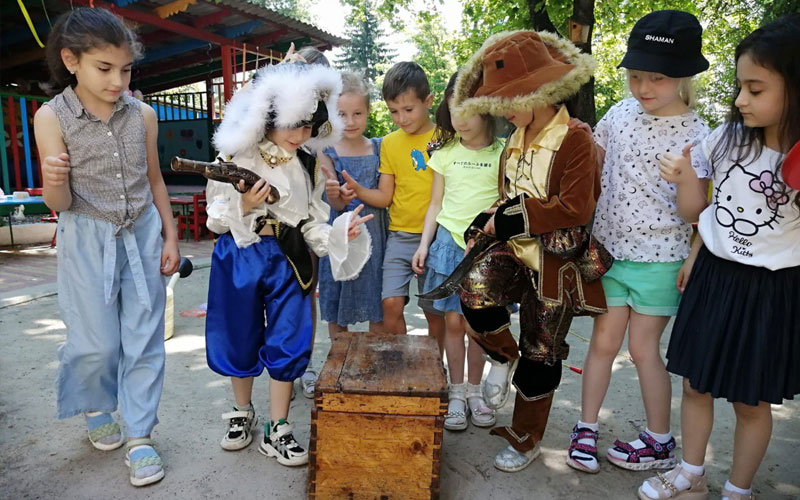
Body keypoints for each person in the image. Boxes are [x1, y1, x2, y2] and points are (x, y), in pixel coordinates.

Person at [638, 14, 800, 500]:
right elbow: (697, 211)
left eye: (755, 88)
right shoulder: (725, 139)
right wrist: (686, 178)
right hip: (714, 275)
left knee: (751, 402)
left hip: (771, 288)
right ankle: (690, 473)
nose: (740, 100)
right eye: (739, 86)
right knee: (695, 384)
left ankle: (738, 489)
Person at [34, 7, 179, 486]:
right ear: (71, 60)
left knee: (143, 338)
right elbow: (59, 203)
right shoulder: (51, 117)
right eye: (105, 68)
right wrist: (53, 181)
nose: (118, 80)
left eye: (126, 69)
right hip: (86, 237)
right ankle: (97, 405)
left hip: (141, 232)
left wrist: (170, 235)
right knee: (95, 343)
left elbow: (154, 180)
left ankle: (140, 436)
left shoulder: (143, 115)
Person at [452, 29, 608, 472]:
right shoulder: (514, 140)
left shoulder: (575, 138)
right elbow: (506, 195)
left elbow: (574, 208)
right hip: (512, 251)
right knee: (474, 290)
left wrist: (505, 219)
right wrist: (484, 222)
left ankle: (525, 440)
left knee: (542, 349)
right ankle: (502, 357)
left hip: (556, 261)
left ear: (539, 91)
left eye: (507, 99)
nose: (499, 109)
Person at [204, 62, 372, 467]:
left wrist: (336, 235)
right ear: (267, 118)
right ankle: (242, 413)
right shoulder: (233, 155)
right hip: (239, 255)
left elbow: (312, 221)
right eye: (292, 126)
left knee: (288, 338)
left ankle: (277, 427)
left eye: (308, 126)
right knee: (237, 336)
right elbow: (213, 218)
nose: (300, 136)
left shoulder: (309, 163)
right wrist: (242, 206)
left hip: (291, 259)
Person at [565, 10, 711, 474]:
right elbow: (594, 171)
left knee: (646, 350)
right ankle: (585, 426)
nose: (644, 87)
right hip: (609, 253)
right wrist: (582, 145)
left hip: (662, 261)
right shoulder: (619, 113)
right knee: (603, 343)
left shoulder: (699, 136)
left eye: (658, 78)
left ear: (685, 77)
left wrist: (687, 178)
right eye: (634, 76)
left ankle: (659, 439)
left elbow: (696, 214)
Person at [412, 71, 502, 431]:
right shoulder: (444, 154)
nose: (459, 119)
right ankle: (457, 392)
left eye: (468, 110)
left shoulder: (504, 153)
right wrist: (423, 244)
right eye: (453, 110)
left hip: (485, 249)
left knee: (478, 325)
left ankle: (477, 392)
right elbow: (435, 204)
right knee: (451, 322)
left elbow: (506, 202)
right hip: (448, 246)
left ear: (488, 109)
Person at [341, 62, 445, 349]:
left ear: (428, 102)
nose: (401, 118)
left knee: (433, 312)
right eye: (393, 111)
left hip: (438, 238)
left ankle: (434, 365)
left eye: (408, 109)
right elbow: (385, 197)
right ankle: (402, 362)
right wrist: (359, 190)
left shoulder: (445, 138)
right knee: (390, 304)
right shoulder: (389, 143)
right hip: (399, 235)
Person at [318, 72, 388, 336]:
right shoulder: (326, 151)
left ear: (368, 111)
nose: (349, 122)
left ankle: (374, 361)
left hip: (375, 237)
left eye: (357, 113)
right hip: (340, 237)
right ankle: (339, 367)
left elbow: (386, 193)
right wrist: (338, 196)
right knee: (337, 300)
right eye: (341, 114)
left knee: (376, 299)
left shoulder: (379, 148)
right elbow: (334, 204)